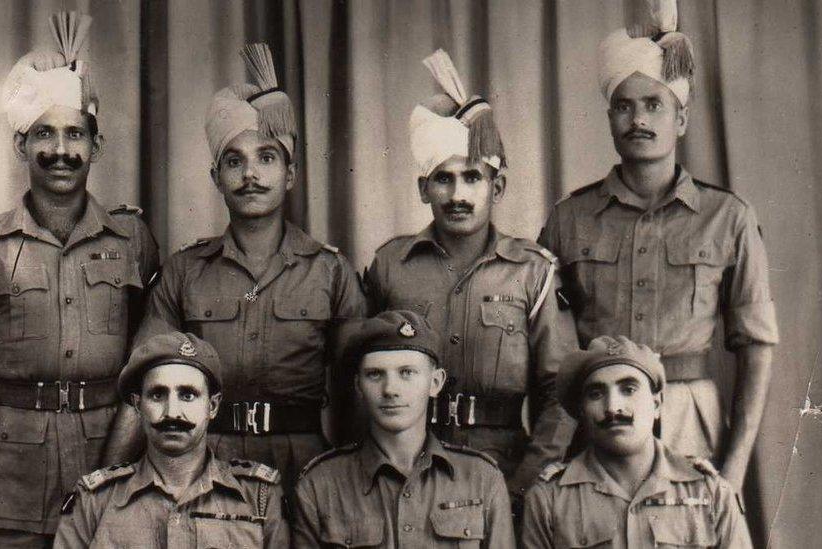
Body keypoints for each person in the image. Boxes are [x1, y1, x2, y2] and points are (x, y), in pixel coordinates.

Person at [0, 12, 159, 548]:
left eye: (75, 133)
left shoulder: (133, 240)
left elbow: (151, 359)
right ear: (20, 146)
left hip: (112, 475)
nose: (61, 150)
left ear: (96, 147)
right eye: (43, 134)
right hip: (6, 489)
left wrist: (118, 473)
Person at [538, 0, 778, 491]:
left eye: (654, 105)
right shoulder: (569, 219)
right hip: (597, 421)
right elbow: (548, 351)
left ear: (682, 118)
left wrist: (732, 471)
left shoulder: (728, 217)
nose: (638, 120)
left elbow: (756, 348)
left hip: (690, 424)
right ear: (610, 118)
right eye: (624, 106)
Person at [103, 43, 366, 490]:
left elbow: (360, 393)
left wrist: (352, 490)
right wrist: (104, 478)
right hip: (205, 466)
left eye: (266, 158)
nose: (250, 174)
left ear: (290, 174)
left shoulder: (331, 272)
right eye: (234, 161)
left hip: (303, 471)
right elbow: (142, 381)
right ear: (215, 177)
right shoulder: (184, 272)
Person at [363, 49, 578, 502]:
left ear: (496, 187)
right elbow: (359, 382)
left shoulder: (532, 272)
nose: (458, 194)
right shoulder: (390, 266)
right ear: (424, 188)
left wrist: (524, 487)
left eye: (473, 178)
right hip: (404, 473)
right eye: (443, 179)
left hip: (503, 473)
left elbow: (560, 396)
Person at [294, 310, 515, 548]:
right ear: (358, 385)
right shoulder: (320, 484)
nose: (390, 389)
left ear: (435, 382)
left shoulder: (482, 479)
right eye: (375, 374)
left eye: (407, 373)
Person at [54, 331, 288, 548]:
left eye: (188, 395)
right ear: (138, 405)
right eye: (157, 395)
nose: (172, 412)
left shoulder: (259, 497)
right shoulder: (94, 501)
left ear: (213, 406)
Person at [522, 335, 752, 548]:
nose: (613, 407)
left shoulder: (710, 492)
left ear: (657, 404)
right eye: (596, 394)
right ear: (582, 412)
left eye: (628, 389)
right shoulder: (548, 500)